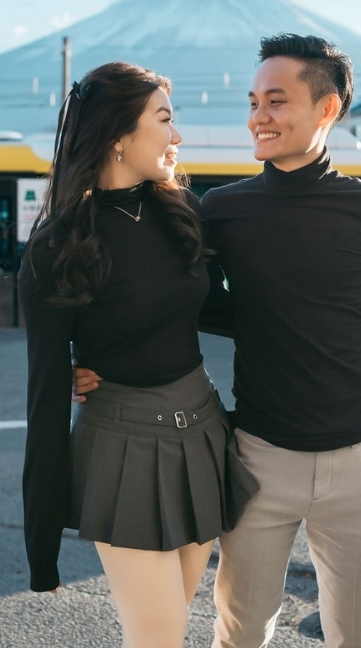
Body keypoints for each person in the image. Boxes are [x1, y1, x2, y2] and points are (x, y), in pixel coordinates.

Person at [76, 35, 361, 648]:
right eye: (253, 101)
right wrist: (85, 358)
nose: (258, 117)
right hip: (258, 460)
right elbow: (174, 296)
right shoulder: (223, 209)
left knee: (355, 635)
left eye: (276, 100)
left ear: (327, 109)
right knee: (240, 633)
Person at [19, 61, 258, 648]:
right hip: (120, 449)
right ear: (118, 135)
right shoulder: (56, 248)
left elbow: (214, 309)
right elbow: (45, 400)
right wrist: (41, 545)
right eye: (165, 120)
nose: (177, 138)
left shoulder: (183, 212)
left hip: (202, 436)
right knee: (160, 636)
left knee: (166, 626)